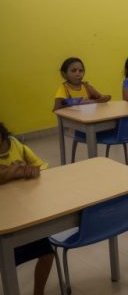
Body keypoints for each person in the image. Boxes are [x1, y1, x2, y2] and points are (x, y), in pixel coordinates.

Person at [0, 122, 54, 295]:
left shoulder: (16, 145)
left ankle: (38, 292)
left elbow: (40, 166)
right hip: (4, 221)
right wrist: (14, 171)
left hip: (22, 216)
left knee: (47, 254)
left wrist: (31, 171)